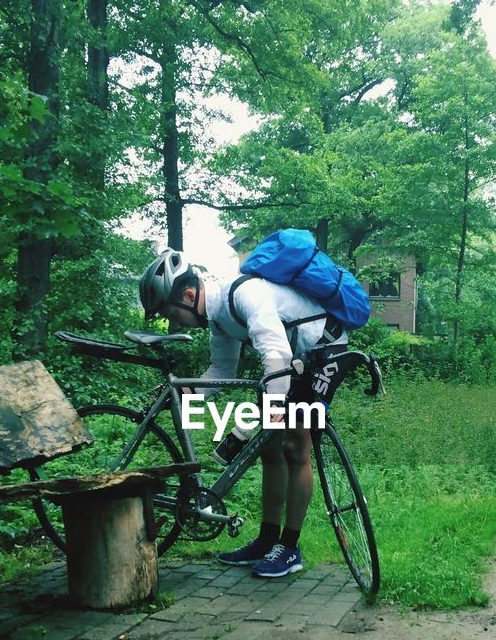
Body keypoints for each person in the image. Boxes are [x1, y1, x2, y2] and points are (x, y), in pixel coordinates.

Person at [138, 247, 350, 579]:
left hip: (324, 349)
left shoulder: (244, 293)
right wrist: (183, 393)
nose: (173, 321)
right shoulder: (218, 320)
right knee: (268, 447)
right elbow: (221, 370)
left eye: (171, 313)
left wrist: (275, 410)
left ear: (189, 295)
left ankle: (289, 547)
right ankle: (267, 540)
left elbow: (275, 352)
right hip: (291, 361)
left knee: (295, 444)